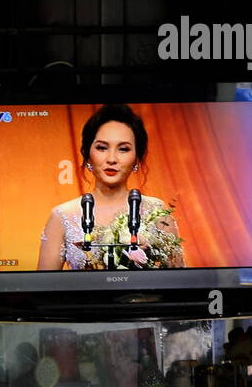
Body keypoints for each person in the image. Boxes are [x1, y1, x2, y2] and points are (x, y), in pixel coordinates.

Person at [37, 103, 184, 271]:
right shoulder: (62, 216)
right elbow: (45, 290)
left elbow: (177, 278)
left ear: (137, 158)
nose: (112, 159)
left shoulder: (156, 210)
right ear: (87, 154)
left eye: (123, 149)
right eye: (102, 148)